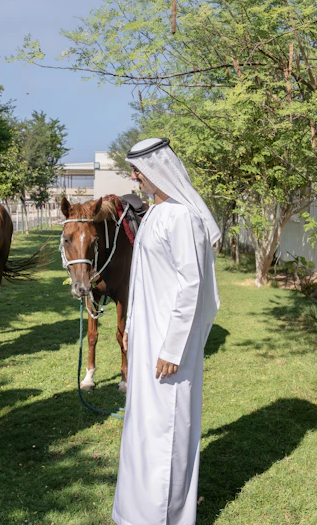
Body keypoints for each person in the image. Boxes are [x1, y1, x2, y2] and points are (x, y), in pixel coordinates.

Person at [112, 138, 221, 525]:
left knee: (167, 431)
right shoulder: (158, 214)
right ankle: (138, 512)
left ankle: (165, 516)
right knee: (144, 427)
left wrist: (172, 349)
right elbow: (145, 281)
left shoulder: (182, 218)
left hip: (169, 348)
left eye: (137, 170)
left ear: (157, 170)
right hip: (148, 341)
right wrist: (132, 331)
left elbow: (190, 286)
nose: (133, 177)